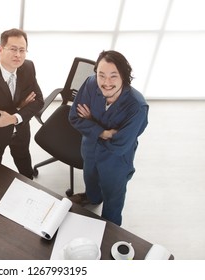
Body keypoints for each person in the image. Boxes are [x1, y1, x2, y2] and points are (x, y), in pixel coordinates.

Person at [68, 50, 149, 226]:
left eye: (113, 76)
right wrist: (103, 132)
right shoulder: (90, 84)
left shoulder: (137, 106)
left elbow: (119, 145)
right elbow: (74, 117)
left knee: (113, 198)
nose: (106, 82)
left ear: (124, 77)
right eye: (101, 75)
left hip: (116, 161)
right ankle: (93, 198)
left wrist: (90, 123)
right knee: (90, 180)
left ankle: (110, 229)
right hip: (89, 150)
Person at [0, 28, 44, 179]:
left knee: (23, 156)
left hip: (21, 128)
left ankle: (28, 178)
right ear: (0, 49)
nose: (18, 55)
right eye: (13, 49)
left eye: (22, 50)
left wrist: (14, 117)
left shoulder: (28, 67)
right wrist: (20, 108)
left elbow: (38, 101)